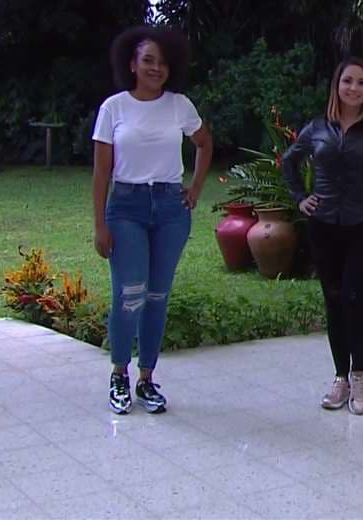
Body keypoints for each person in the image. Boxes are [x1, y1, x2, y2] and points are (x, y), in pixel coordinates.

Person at [91, 26, 213, 414]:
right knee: (130, 293)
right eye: (147, 60)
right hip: (126, 207)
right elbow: (101, 172)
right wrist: (100, 225)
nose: (155, 68)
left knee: (158, 295)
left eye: (162, 62)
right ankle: (119, 374)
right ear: (132, 64)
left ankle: (146, 378)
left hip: (170, 208)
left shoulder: (179, 105)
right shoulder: (114, 108)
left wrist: (195, 188)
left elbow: (204, 142)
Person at [282, 57, 363, 415]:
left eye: (362, 82)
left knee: (355, 299)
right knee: (334, 300)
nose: (354, 88)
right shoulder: (317, 128)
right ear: (336, 86)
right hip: (324, 228)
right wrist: (300, 198)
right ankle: (340, 377)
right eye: (348, 81)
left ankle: (359, 373)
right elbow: (289, 161)